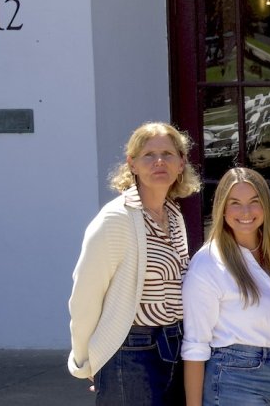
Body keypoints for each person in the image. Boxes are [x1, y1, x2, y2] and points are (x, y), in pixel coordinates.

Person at [70, 121, 203, 405]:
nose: (159, 162)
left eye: (168, 154)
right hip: (130, 351)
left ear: (181, 163)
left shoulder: (173, 215)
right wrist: (86, 360)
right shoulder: (116, 219)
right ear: (132, 164)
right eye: (148, 155)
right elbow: (85, 295)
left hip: (175, 344)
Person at [180, 168, 270, 405]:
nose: (246, 212)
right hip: (234, 379)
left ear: (265, 205)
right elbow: (195, 345)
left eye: (254, 202)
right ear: (223, 210)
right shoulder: (208, 263)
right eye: (235, 203)